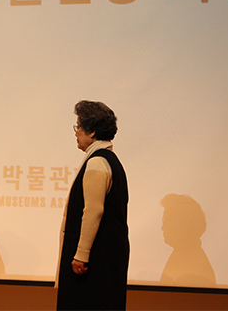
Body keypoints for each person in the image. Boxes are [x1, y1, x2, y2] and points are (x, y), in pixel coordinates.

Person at [56, 100, 130, 310]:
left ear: (92, 131)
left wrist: (81, 253)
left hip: (97, 256)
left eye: (79, 127)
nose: (76, 132)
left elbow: (94, 211)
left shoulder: (98, 162)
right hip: (105, 252)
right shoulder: (108, 159)